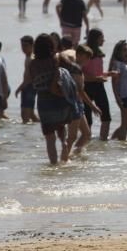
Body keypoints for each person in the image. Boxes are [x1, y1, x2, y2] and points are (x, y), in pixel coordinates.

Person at [26, 34, 73, 164]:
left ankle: (53, 164)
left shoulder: (33, 64)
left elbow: (32, 81)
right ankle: (64, 144)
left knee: (49, 137)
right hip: (60, 98)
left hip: (44, 100)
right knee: (61, 126)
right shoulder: (55, 59)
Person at [81, 29, 112, 141]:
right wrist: (96, 78)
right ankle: (85, 143)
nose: (103, 40)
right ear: (95, 39)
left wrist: (108, 74)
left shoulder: (99, 53)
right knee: (87, 119)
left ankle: (103, 142)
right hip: (86, 88)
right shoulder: (85, 53)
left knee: (106, 117)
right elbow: (80, 74)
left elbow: (98, 73)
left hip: (99, 86)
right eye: (101, 38)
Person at [14, 35, 40, 123]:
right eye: (22, 45)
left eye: (26, 45)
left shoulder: (32, 58)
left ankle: (25, 135)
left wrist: (19, 88)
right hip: (27, 87)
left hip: (30, 87)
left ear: (32, 45)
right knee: (31, 115)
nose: (23, 48)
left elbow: (29, 78)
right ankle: (41, 127)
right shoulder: (28, 57)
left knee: (25, 117)